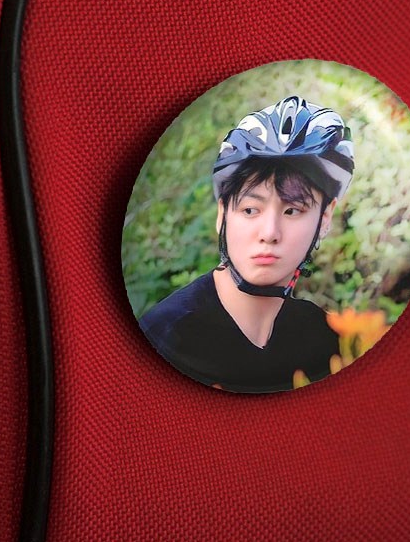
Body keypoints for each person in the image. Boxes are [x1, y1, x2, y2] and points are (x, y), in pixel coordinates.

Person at [139, 95, 354, 392]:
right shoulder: (165, 337)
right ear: (222, 214)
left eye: (293, 211)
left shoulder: (328, 339)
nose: (269, 233)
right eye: (250, 210)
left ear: (325, 218)